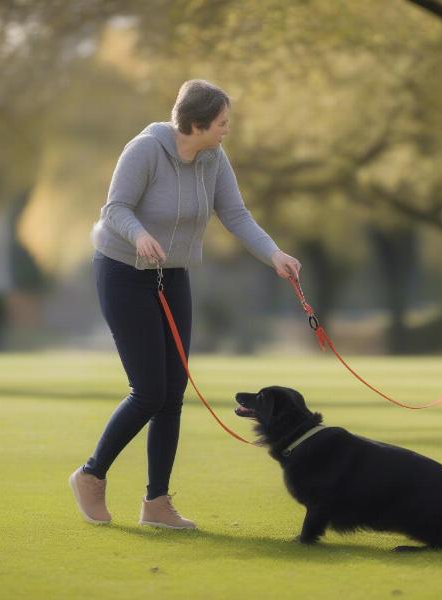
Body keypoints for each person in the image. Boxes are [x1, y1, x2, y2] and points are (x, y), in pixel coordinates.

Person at [69, 79, 301, 529]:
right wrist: (139, 234)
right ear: (195, 124)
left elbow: (234, 213)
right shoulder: (143, 151)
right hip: (122, 272)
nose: (226, 130)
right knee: (149, 391)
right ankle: (91, 474)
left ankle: (156, 503)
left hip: (171, 275)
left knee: (172, 395)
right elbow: (115, 209)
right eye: (221, 123)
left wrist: (274, 254)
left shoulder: (213, 157)